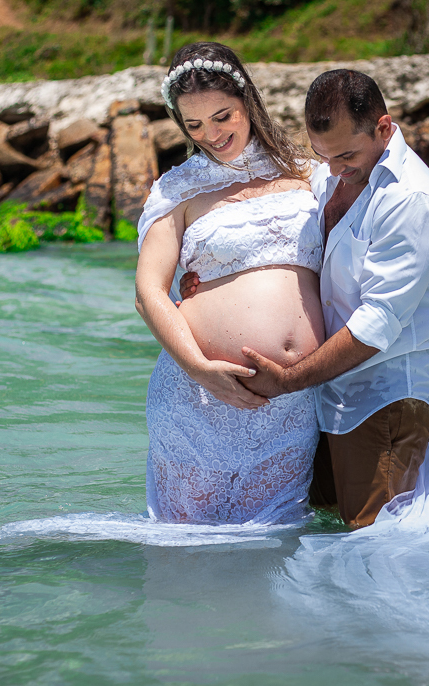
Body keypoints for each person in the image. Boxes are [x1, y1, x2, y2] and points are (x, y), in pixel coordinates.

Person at [184, 69, 429, 531]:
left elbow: (378, 323)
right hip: (330, 394)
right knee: (324, 527)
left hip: (386, 394)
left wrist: (289, 380)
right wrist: (214, 279)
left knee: (376, 540)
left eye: (346, 154)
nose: (333, 169)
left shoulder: (413, 201)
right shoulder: (335, 173)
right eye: (323, 155)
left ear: (384, 127)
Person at [133, 42, 325, 525]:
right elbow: (148, 292)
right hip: (197, 397)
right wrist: (200, 369)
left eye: (223, 117)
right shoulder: (178, 189)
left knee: (272, 552)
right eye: (193, 125)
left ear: (247, 102)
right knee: (187, 553)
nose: (211, 136)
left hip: (292, 401)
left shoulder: (307, 172)